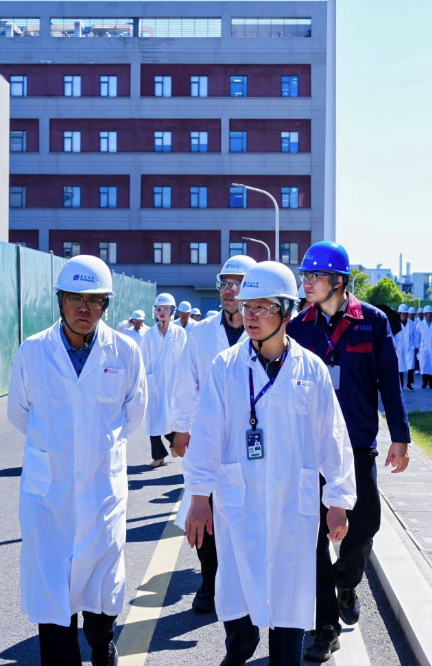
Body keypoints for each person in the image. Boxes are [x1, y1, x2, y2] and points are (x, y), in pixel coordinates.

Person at [183, 261, 356, 666]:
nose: (251, 315)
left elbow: (332, 437)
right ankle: (239, 649)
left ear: (287, 311)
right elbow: (206, 434)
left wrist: (337, 500)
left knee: (289, 600)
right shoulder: (225, 367)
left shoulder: (310, 369)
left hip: (293, 504)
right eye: (247, 306)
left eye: (262, 307)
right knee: (237, 591)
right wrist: (199, 496)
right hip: (239, 500)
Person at [7, 255, 147, 666]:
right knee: (53, 603)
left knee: (101, 604)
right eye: (74, 298)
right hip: (48, 496)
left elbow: (134, 413)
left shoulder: (125, 351)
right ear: (60, 300)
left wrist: (91, 451)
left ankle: (103, 643)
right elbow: (19, 413)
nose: (83, 309)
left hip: (102, 492)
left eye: (94, 300)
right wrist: (60, 451)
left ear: (106, 305)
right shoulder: (33, 351)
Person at [287, 241, 411, 662]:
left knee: (364, 525)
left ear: (338, 282)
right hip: (310, 450)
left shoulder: (372, 322)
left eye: (315, 276)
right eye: (305, 276)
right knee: (314, 538)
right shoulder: (297, 327)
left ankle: (346, 582)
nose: (307, 283)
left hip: (357, 445)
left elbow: (389, 381)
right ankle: (325, 628)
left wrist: (400, 436)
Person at [170, 254, 255, 614]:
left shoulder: (263, 330)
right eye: (225, 283)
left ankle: (246, 581)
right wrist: (180, 428)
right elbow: (186, 381)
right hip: (208, 437)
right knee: (203, 507)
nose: (229, 290)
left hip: (251, 439)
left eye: (238, 284)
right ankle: (209, 579)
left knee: (247, 512)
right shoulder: (200, 332)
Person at [139, 293, 188, 467]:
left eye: (166, 309)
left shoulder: (180, 333)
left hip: (174, 382)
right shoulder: (149, 335)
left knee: (171, 417)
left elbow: (185, 357)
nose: (162, 312)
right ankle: (158, 456)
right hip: (153, 382)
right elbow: (143, 358)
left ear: (172, 311)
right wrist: (144, 379)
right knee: (153, 419)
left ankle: (173, 442)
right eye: (159, 309)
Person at [393, 303, 417, 392]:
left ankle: (409, 384)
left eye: (407, 314)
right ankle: (401, 385)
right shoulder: (395, 324)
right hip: (400, 348)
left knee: (411, 366)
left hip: (410, 348)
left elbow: (416, 336)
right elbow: (392, 336)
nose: (405, 316)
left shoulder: (411, 324)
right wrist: (395, 345)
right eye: (404, 314)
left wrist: (416, 346)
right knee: (400, 367)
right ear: (399, 314)